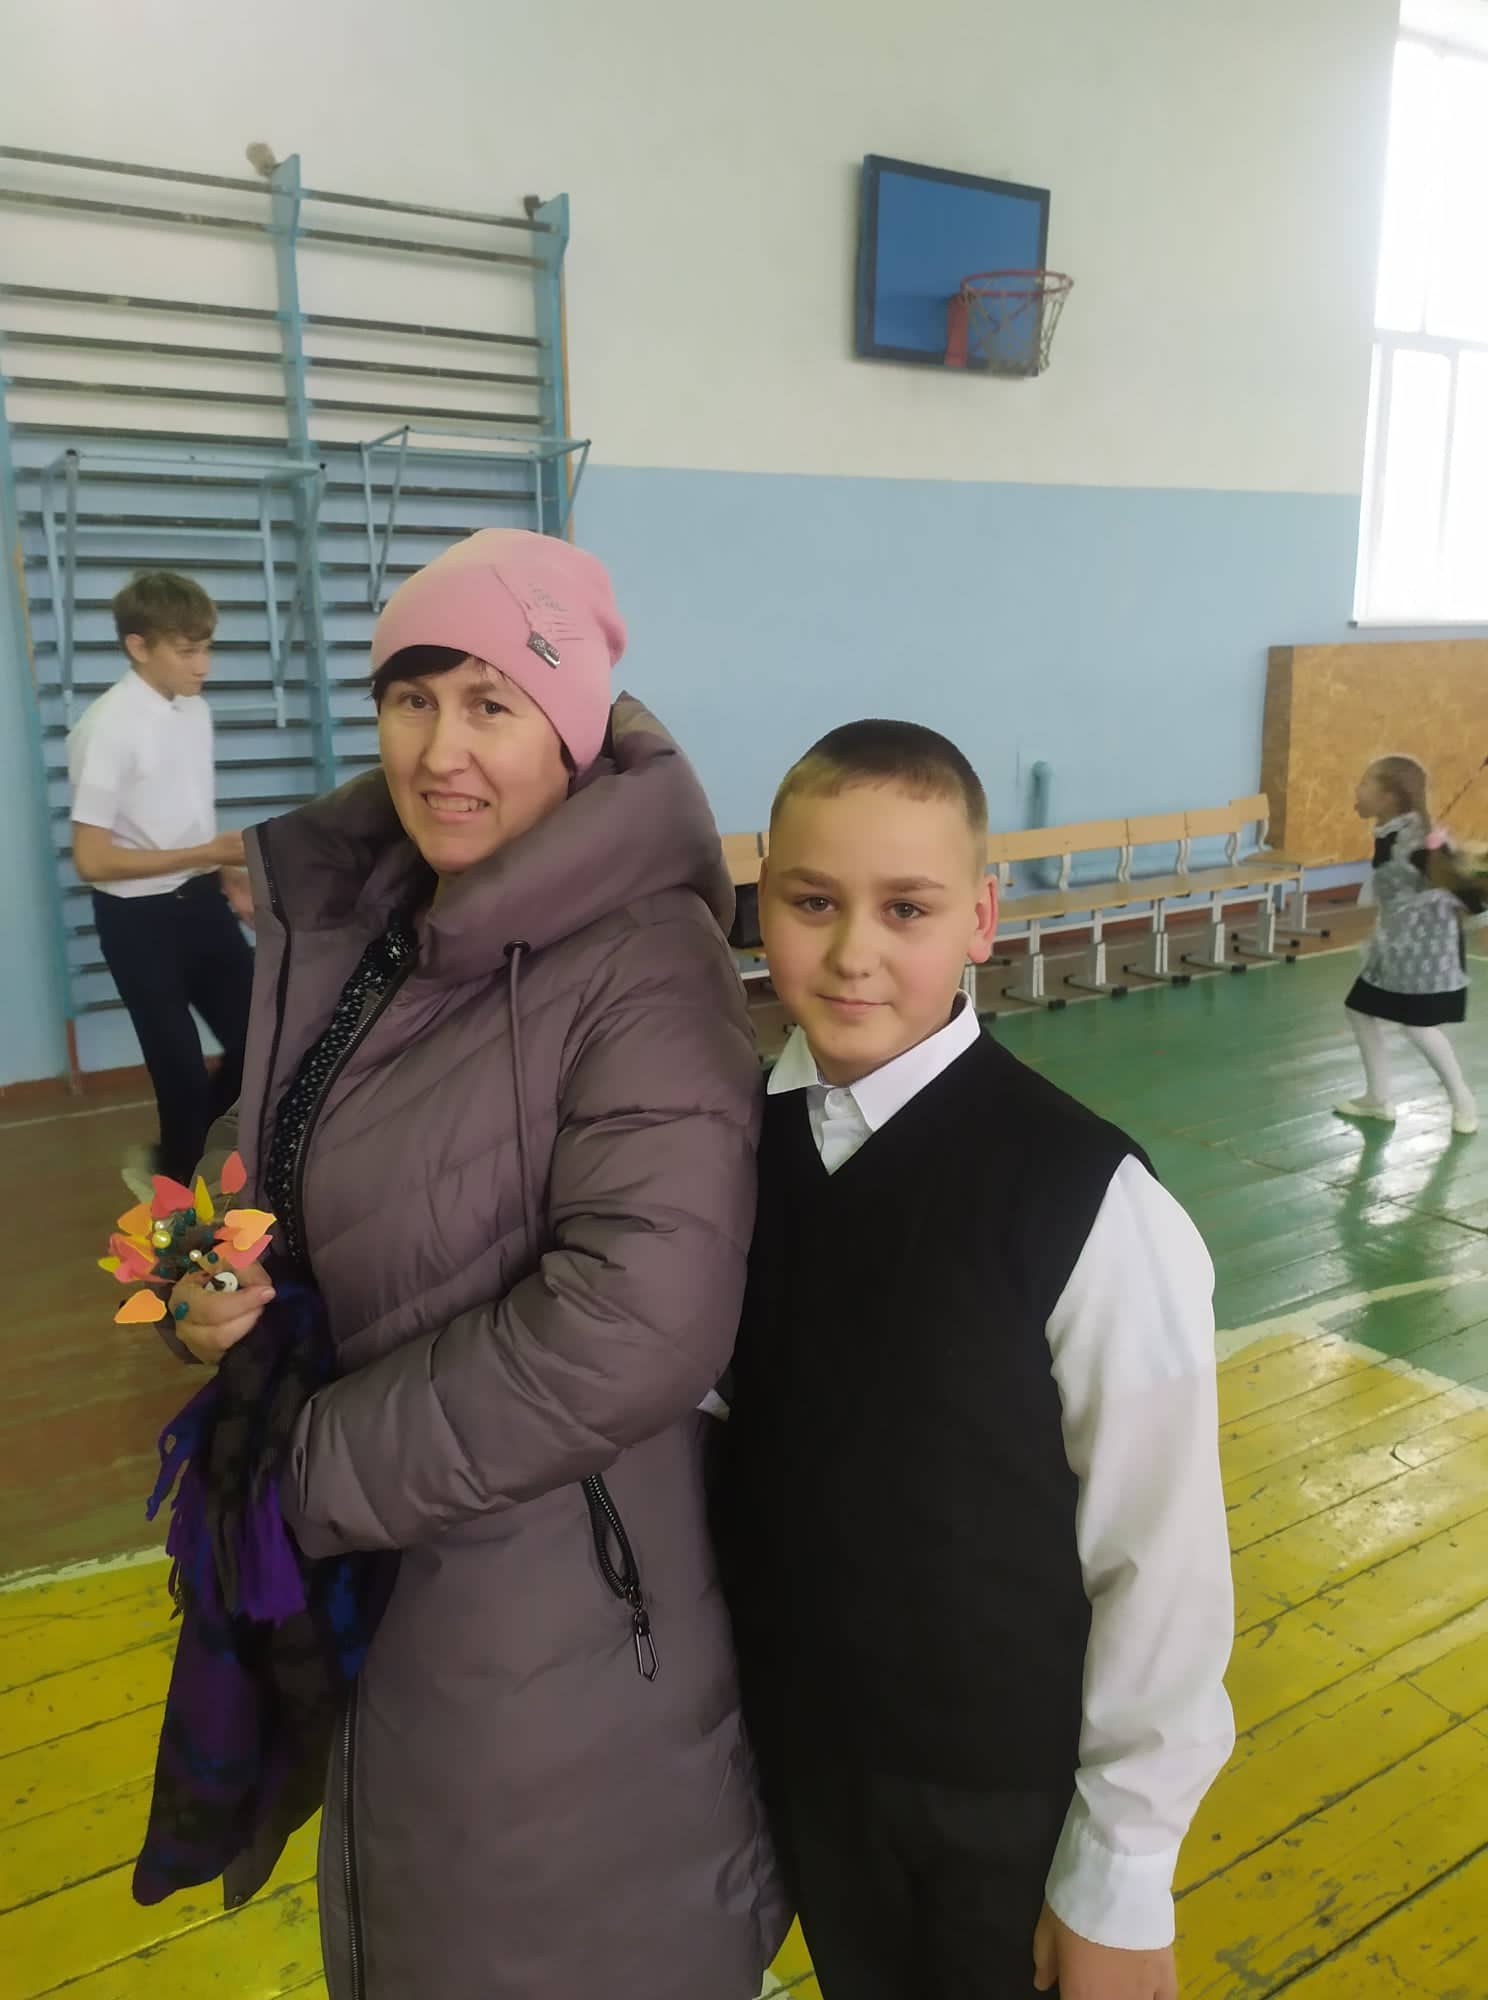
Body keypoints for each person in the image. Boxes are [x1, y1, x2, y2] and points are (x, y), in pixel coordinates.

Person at [158, 529, 785, 2000]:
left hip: (556, 1621)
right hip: (393, 1589)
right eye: (411, 699)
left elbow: (638, 1319)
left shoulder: (647, 964)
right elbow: (260, 1141)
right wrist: (205, 1273)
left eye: (493, 705)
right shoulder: (378, 912)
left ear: (568, 731)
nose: (440, 751)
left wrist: (307, 1471)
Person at [714, 720, 1235, 2000]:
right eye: (813, 901)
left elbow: (1159, 1560)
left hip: (1008, 1825)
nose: (854, 950)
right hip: (811, 1788)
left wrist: (1121, 1872)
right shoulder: (716, 1161)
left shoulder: (1087, 1199)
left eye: (907, 907)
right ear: (760, 901)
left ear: (982, 919)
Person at [68, 571, 253, 1195]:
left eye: (207, 647)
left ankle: (187, 1156)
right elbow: (92, 860)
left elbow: (183, 811)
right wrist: (207, 852)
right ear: (138, 646)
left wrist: (226, 873)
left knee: (263, 1039)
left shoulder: (195, 711)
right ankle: (183, 1192)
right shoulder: (107, 727)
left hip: (201, 904)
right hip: (138, 923)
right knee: (179, 1072)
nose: (204, 665)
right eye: (187, 650)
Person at [1333, 753, 1478, 1136]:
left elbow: (1473, 897)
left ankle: (1463, 1101)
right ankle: (1378, 1098)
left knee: (1418, 1027)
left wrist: (1447, 863)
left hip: (1427, 954)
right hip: (1394, 947)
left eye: (1365, 783)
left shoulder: (1417, 842)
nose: (1357, 790)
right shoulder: (1391, 834)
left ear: (1389, 796)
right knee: (1359, 1010)